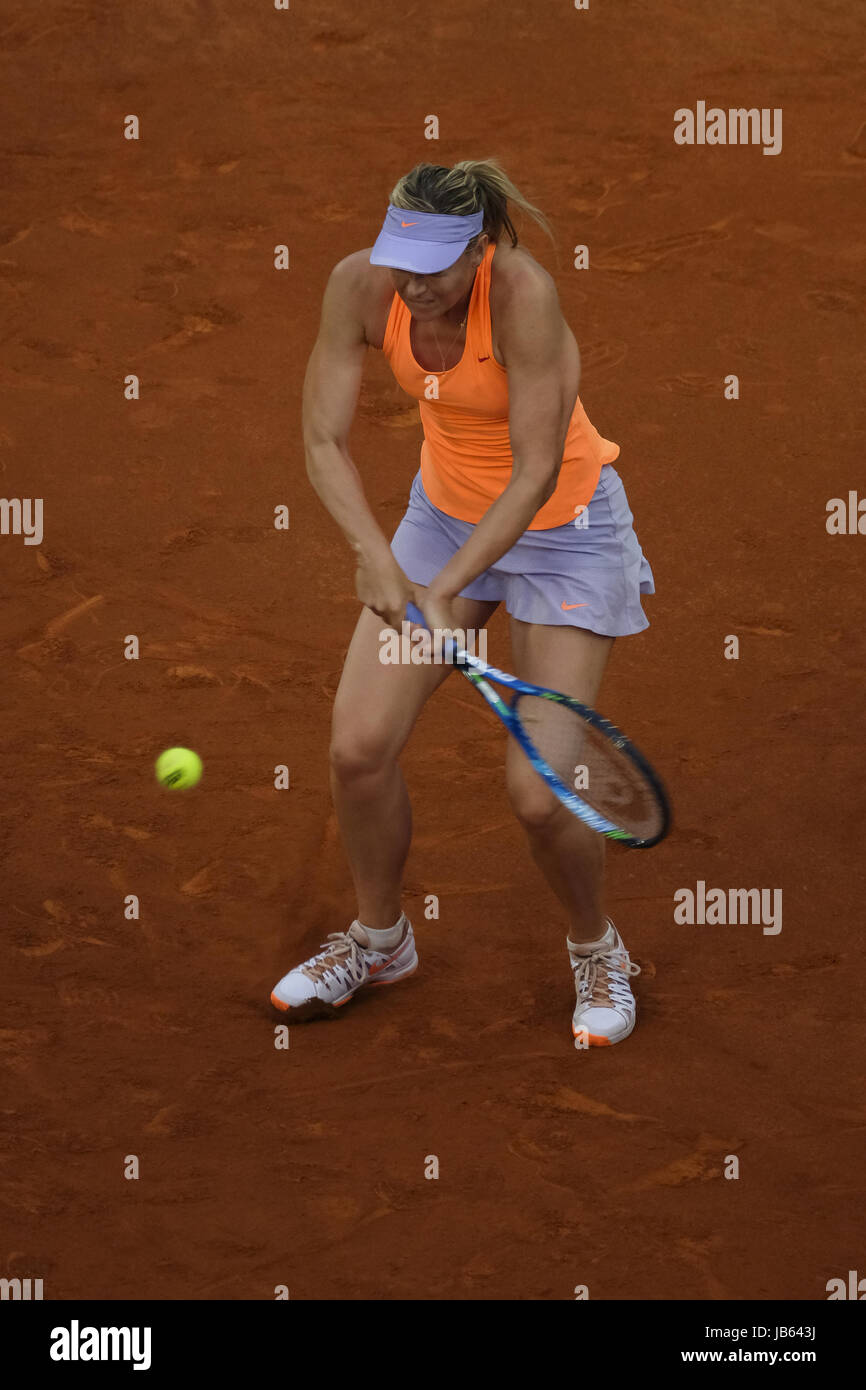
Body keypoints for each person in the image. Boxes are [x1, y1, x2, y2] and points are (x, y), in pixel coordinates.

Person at [271, 159, 654, 1047]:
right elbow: (322, 436)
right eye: (402, 260)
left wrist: (439, 595)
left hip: (563, 533)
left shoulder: (524, 298)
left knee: (539, 793)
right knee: (358, 749)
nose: (414, 284)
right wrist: (377, 555)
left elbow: (534, 473)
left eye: (436, 267)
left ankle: (598, 947)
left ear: (480, 249)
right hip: (441, 521)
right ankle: (380, 941)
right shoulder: (361, 287)